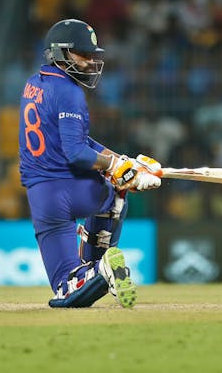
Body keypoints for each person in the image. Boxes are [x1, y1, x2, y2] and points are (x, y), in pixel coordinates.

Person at [19, 19, 161, 308]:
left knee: (65, 287)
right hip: (72, 190)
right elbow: (75, 153)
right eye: (83, 55)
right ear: (60, 53)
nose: (90, 62)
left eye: (93, 55)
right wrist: (114, 168)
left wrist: (121, 161)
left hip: (46, 194)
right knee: (114, 190)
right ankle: (98, 267)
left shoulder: (34, 84)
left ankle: (97, 269)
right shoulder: (69, 92)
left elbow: (79, 141)